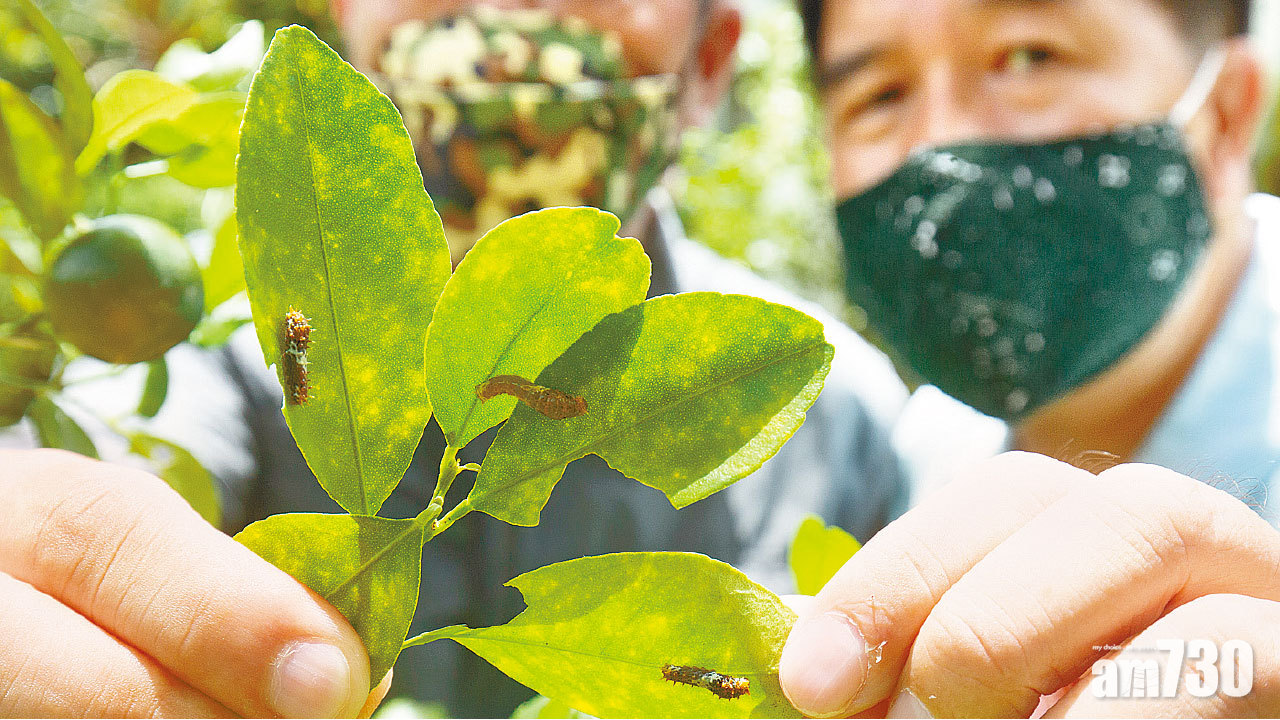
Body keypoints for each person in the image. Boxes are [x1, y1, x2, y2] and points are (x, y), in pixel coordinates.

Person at [0, 1, 914, 716]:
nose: (510, 14)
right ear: (349, 20)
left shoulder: (831, 416)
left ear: (708, 61)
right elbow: (121, 465)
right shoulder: (234, 375)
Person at [778, 0, 1280, 716]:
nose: (942, 148)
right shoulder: (925, 450)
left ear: (1227, 116)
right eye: (880, 96)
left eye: (1028, 57)